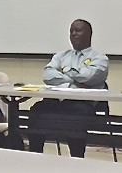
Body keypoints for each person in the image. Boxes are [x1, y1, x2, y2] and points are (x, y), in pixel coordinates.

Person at [27, 19, 109, 158]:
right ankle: (35, 159)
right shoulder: (61, 55)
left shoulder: (100, 58)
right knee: (36, 110)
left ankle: (76, 161)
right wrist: (73, 82)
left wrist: (64, 72)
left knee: (74, 117)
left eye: (78, 30)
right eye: (71, 31)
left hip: (82, 103)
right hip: (56, 102)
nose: (74, 34)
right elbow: (48, 75)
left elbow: (88, 77)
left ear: (89, 34)